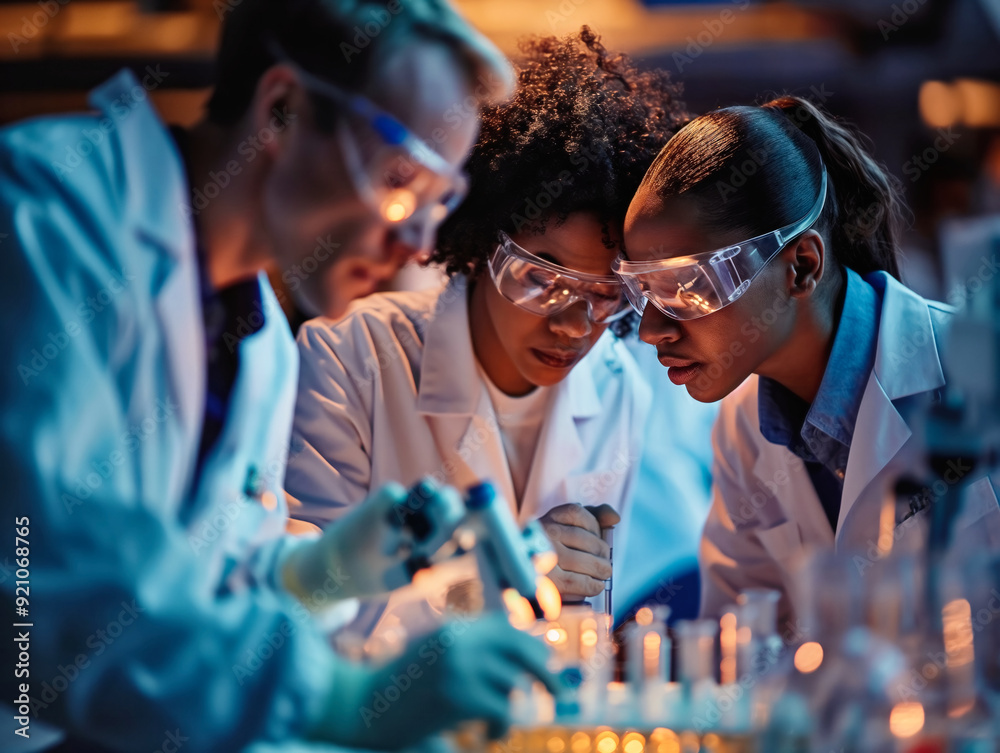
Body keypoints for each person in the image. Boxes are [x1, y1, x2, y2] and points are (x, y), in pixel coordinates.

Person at [0, 1, 560, 751]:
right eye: (403, 180)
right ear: (284, 111)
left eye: (442, 201)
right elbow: (47, 594)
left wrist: (316, 573)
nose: (420, 241)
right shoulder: (47, 215)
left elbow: (189, 598)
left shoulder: (257, 332)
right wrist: (337, 695)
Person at [285, 27, 689, 636]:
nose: (574, 326)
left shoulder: (616, 389)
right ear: (477, 247)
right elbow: (303, 613)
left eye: (606, 294)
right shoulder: (351, 358)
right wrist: (495, 584)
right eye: (541, 280)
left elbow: (586, 624)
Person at [616, 96, 1000, 631]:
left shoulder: (978, 376)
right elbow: (741, 648)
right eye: (644, 290)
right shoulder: (745, 426)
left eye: (689, 286)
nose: (652, 329)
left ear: (801, 267)